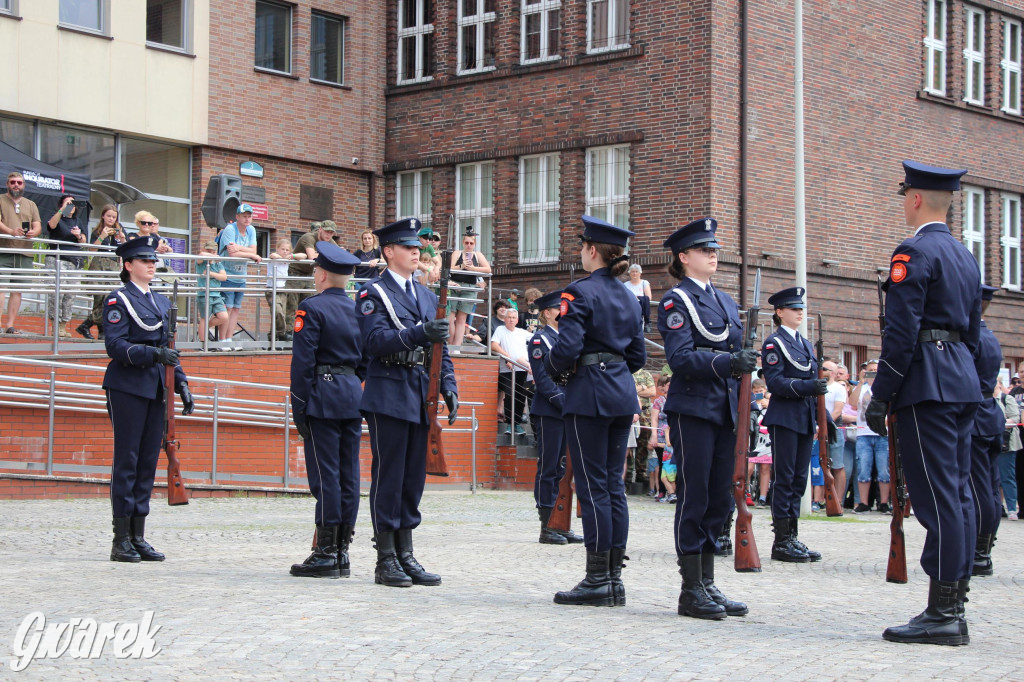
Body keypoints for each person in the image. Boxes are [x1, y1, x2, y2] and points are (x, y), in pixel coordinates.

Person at [865, 160, 982, 647]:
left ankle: (943, 612)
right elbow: (973, 333)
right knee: (958, 493)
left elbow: (901, 332)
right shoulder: (964, 255)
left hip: (926, 385)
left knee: (936, 497)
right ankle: (954, 602)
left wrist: (881, 393)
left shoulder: (914, 250)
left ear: (914, 199)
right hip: (959, 379)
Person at [546, 215, 646, 607]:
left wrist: (553, 372)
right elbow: (637, 354)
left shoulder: (579, 291)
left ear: (591, 251)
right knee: (613, 486)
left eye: (582, 247)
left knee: (592, 487)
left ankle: (598, 578)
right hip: (621, 393)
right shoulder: (630, 295)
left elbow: (567, 348)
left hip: (589, 394)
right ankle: (614, 577)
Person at [657, 217, 754, 619]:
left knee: (718, 498)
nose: (712, 254)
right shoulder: (675, 301)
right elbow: (680, 358)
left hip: (725, 411)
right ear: (684, 257)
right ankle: (690, 588)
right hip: (694, 408)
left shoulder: (726, 301)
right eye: (703, 250)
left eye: (714, 249)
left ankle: (708, 582)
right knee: (694, 497)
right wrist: (729, 362)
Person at [357, 217, 458, 588]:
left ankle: (405, 551)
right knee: (390, 475)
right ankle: (385, 557)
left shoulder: (428, 295)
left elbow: (440, 347)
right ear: (388, 251)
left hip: (420, 392)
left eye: (418, 247)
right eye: (407, 246)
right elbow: (374, 343)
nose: (417, 251)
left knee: (413, 478)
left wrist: (449, 384)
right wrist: (418, 332)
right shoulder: (373, 293)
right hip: (388, 390)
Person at [102, 236, 194, 563]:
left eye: (153, 260)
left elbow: (169, 348)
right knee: (126, 460)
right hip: (127, 385)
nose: (151, 265)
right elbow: (115, 346)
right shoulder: (118, 300)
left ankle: (138, 535)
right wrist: (154, 354)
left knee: (147, 462)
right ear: (128, 265)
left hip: (156, 387)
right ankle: (120, 539)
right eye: (144, 260)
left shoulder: (158, 300)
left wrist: (181, 383)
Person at [289, 242, 365, 578]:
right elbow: (365, 360)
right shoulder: (359, 310)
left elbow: (303, 364)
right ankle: (343, 550)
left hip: (321, 396)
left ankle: (326, 552)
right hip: (351, 395)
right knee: (349, 474)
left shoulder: (312, 308)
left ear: (320, 274)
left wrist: (299, 406)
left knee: (326, 476)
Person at [761, 286, 828, 563]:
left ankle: (793, 536)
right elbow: (775, 383)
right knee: (785, 478)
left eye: (801, 308)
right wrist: (808, 386)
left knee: (800, 480)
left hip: (804, 417)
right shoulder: (774, 344)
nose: (800, 312)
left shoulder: (803, 343)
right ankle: (781, 540)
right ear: (779, 313)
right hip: (785, 416)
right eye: (793, 308)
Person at [528, 290, 583, 545]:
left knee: (563, 467)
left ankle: (560, 524)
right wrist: (566, 403)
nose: (564, 313)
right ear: (547, 313)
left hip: (569, 407)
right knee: (549, 466)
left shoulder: (568, 339)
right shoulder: (541, 340)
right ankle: (546, 525)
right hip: (550, 409)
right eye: (558, 309)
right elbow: (542, 380)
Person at [968, 285, 1006, 577]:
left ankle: (980, 553)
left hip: (976, 417)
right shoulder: (989, 335)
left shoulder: (971, 337)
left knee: (981, 490)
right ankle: (984, 549)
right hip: (990, 415)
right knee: (990, 490)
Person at [0, 172, 42, 334]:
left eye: (19, 182)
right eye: (13, 182)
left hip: (24, 251)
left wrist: (33, 232)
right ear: (7, 184)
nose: (16, 185)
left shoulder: (30, 204)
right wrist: (11, 231)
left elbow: (37, 225)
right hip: (3, 250)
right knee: (0, 288)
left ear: (23, 185)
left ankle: (9, 325)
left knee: (17, 290)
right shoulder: (1, 199)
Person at [77, 204, 127, 339]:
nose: (111, 219)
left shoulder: (119, 229)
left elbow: (126, 250)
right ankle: (102, 332)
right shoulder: (97, 231)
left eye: (114, 217)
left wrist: (122, 239)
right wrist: (102, 236)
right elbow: (91, 250)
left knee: (109, 299)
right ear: (103, 216)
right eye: (109, 216)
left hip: (114, 266)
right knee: (99, 299)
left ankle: (86, 325)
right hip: (99, 265)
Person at [217, 204, 261, 347]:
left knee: (235, 308)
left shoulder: (251, 230)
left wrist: (240, 248)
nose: (247, 219)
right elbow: (232, 253)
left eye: (249, 216)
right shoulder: (230, 229)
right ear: (237, 217)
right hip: (227, 275)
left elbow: (254, 251)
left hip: (241, 276)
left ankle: (229, 339)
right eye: (244, 216)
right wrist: (249, 253)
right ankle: (222, 340)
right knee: (227, 308)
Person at [43, 194, 86, 338]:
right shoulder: (57, 216)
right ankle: (54, 326)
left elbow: (83, 241)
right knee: (56, 294)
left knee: (70, 294)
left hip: (73, 261)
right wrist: (62, 210)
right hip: (56, 259)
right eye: (67, 203)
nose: (70, 206)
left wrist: (78, 235)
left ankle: (63, 326)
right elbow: (52, 225)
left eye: (72, 203)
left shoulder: (77, 221)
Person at [854, 365, 891, 513]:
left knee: (884, 469)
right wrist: (861, 382)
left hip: (882, 433)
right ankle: (863, 502)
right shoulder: (861, 388)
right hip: (863, 433)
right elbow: (851, 402)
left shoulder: (885, 386)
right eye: (871, 370)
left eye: (877, 370)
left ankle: (883, 503)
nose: (873, 373)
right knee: (863, 468)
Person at [491, 307, 533, 435]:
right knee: (509, 395)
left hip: (524, 369)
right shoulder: (500, 330)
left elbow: (538, 339)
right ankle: (510, 423)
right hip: (507, 370)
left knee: (521, 396)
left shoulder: (521, 332)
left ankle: (518, 424)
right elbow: (493, 345)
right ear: (505, 319)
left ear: (517, 320)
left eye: (513, 318)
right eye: (509, 317)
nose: (511, 320)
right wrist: (507, 356)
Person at [448, 229, 491, 347]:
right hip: (455, 285)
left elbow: (488, 269)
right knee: (450, 318)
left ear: (474, 244)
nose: (468, 245)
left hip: (469, 287)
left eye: (471, 243)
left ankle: (456, 346)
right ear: (463, 242)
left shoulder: (478, 255)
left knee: (462, 319)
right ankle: (449, 344)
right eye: (466, 243)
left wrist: (473, 268)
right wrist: (462, 266)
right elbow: (450, 267)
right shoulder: (457, 253)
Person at [287, 221, 332, 324]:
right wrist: (328, 253)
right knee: (292, 304)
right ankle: (288, 331)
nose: (328, 234)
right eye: (326, 231)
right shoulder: (309, 237)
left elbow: (339, 253)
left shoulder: (328, 238)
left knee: (309, 304)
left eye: (331, 232)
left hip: (309, 274)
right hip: (295, 272)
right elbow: (312, 256)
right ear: (320, 230)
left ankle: (307, 328)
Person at [195, 240, 228, 346]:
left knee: (223, 316)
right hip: (204, 294)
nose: (211, 253)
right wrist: (209, 255)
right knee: (204, 318)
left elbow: (224, 277)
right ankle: (203, 344)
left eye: (213, 251)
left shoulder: (218, 264)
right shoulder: (201, 261)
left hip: (216, 295)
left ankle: (203, 329)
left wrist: (211, 273)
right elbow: (201, 255)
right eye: (208, 250)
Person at [648, 374, 671, 498]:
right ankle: (662, 490)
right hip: (661, 437)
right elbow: (654, 419)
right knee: (662, 463)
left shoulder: (677, 399)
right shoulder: (659, 401)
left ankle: (674, 490)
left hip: (674, 437)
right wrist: (654, 436)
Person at [265, 238, 293, 341]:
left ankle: (273, 337)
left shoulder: (288, 259)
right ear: (277, 249)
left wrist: (292, 256)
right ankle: (281, 334)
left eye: (287, 250)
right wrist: (282, 258)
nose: (285, 251)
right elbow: (272, 256)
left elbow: (303, 256)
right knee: (278, 312)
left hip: (282, 290)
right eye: (282, 249)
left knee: (280, 316)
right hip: (272, 290)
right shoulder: (275, 257)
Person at [623, 263, 653, 333]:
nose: (634, 274)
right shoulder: (625, 285)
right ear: (629, 273)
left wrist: (637, 298)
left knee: (639, 330)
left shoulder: (644, 283)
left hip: (641, 310)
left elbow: (649, 297)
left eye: (636, 271)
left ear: (640, 273)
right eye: (632, 272)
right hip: (629, 311)